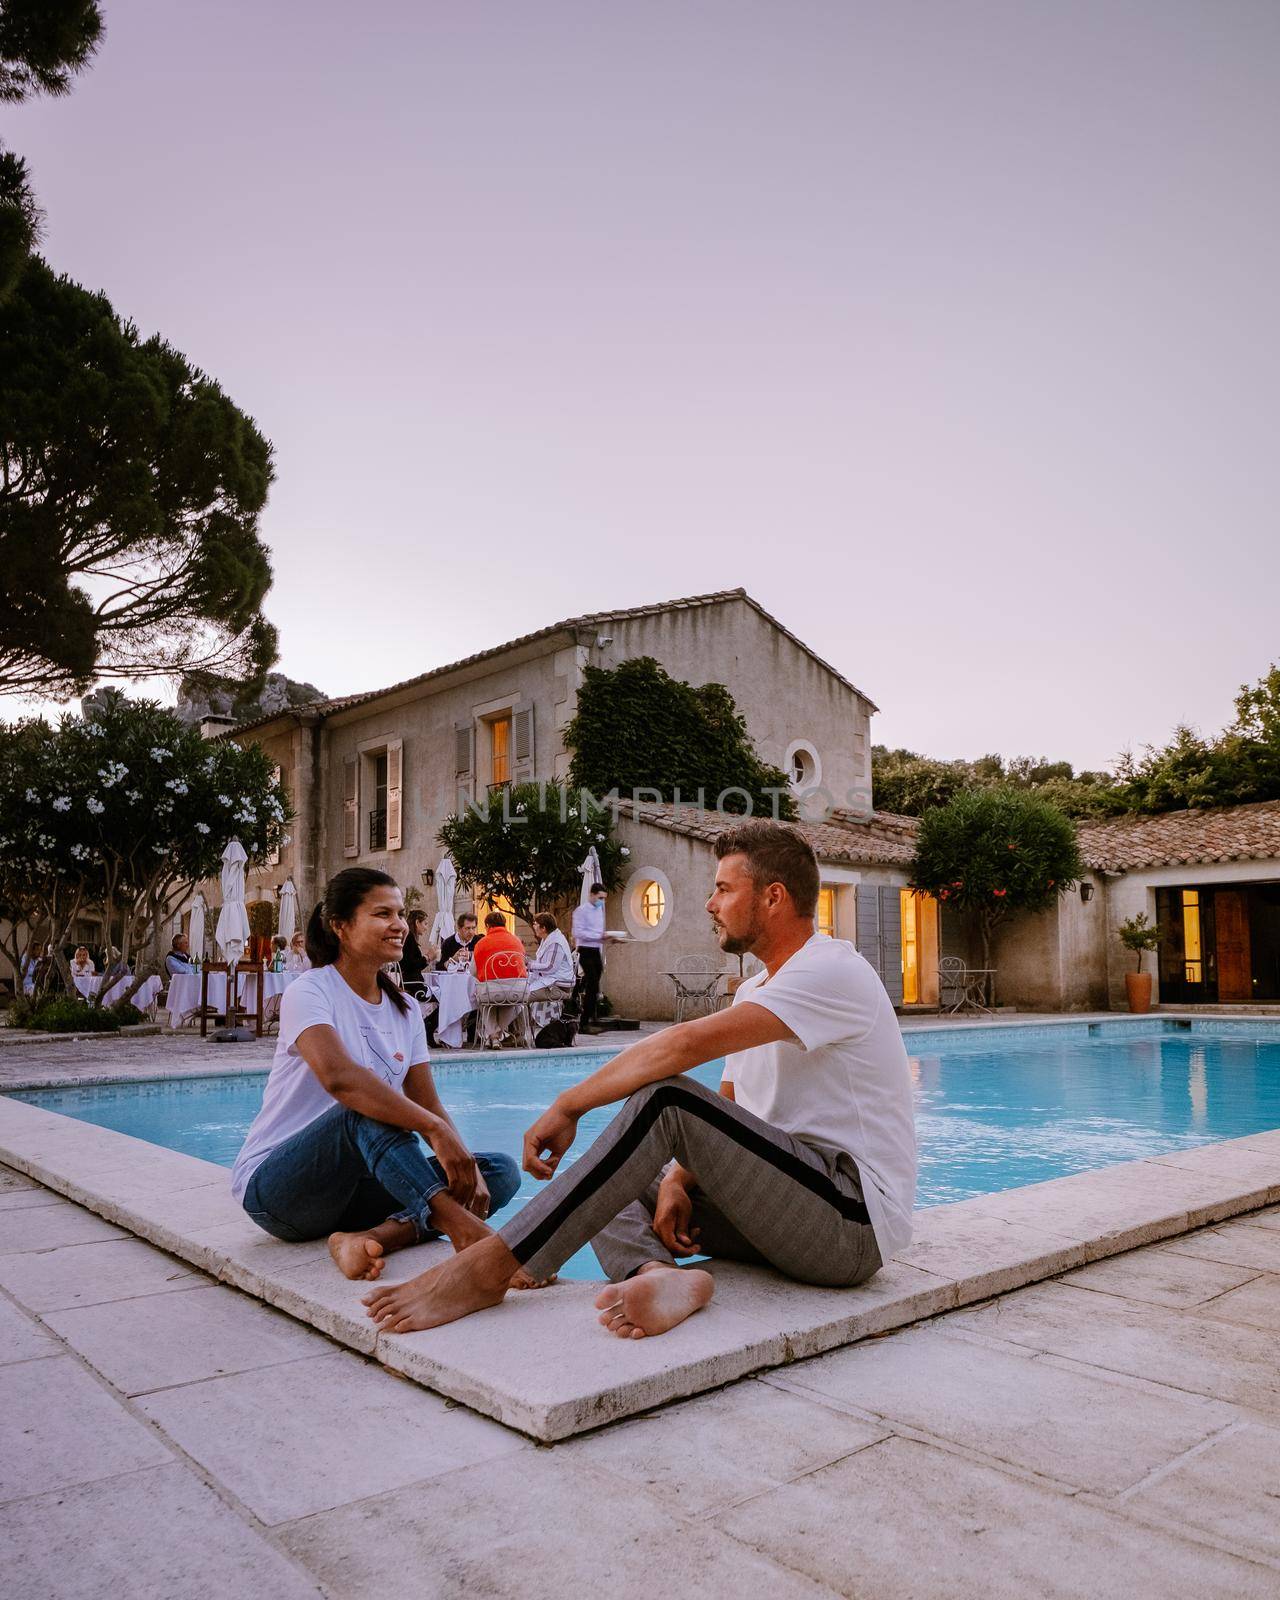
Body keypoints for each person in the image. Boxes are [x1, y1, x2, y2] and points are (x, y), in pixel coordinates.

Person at [363, 820, 916, 1339]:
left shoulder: (832, 970)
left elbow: (680, 1047)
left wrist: (569, 1104)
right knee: (611, 1176)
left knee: (667, 1097)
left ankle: (490, 1267)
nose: (709, 904)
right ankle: (657, 1273)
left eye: (724, 889)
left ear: (773, 897)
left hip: (848, 1225)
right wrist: (676, 1179)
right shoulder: (755, 992)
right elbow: (733, 1105)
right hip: (780, 1212)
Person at [231, 868, 550, 1288]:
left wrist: (460, 1157)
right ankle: (468, 1235)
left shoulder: (403, 1009)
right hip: (283, 1191)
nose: (399, 924)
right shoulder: (310, 991)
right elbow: (341, 1080)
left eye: (399, 913)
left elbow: (428, 1102)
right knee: (364, 1108)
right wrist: (432, 1129)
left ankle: (369, 1238)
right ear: (340, 926)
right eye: (382, 913)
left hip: (359, 1193)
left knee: (496, 1172)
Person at [471, 911, 528, 1049]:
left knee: (483, 1002)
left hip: (492, 991)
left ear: (487, 925)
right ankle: (496, 1035)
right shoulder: (517, 941)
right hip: (518, 990)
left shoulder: (481, 943)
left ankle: (494, 1036)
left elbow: (473, 971)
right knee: (513, 1003)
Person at [571, 883, 607, 1033]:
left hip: (596, 950)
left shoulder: (599, 911)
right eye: (600, 898)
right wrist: (598, 936)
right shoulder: (581, 911)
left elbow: (599, 932)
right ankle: (584, 1023)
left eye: (604, 898)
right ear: (592, 895)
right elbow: (578, 932)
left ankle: (590, 1018)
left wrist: (606, 937)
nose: (602, 901)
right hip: (585, 950)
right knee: (592, 984)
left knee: (595, 985)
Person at [527, 912, 574, 1005]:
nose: (533, 926)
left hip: (558, 984)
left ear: (543, 928)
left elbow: (551, 967)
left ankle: (527, 1019)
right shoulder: (548, 939)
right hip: (552, 980)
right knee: (520, 990)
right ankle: (527, 1019)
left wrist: (530, 965)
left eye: (535, 924)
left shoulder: (556, 942)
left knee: (521, 996)